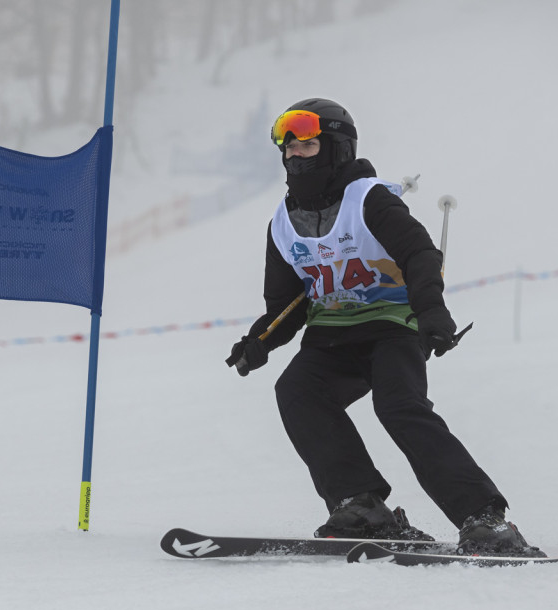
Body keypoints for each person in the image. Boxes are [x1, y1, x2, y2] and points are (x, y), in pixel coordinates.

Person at [225, 98, 541, 556]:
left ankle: (484, 518)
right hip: (331, 337)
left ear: (336, 149)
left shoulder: (368, 199)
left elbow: (420, 254)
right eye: (289, 149)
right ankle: (360, 506)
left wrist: (431, 312)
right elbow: (286, 303)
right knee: (296, 389)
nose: (295, 156)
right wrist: (260, 342)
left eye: (308, 146)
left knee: (399, 407)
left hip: (392, 328)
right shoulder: (282, 223)